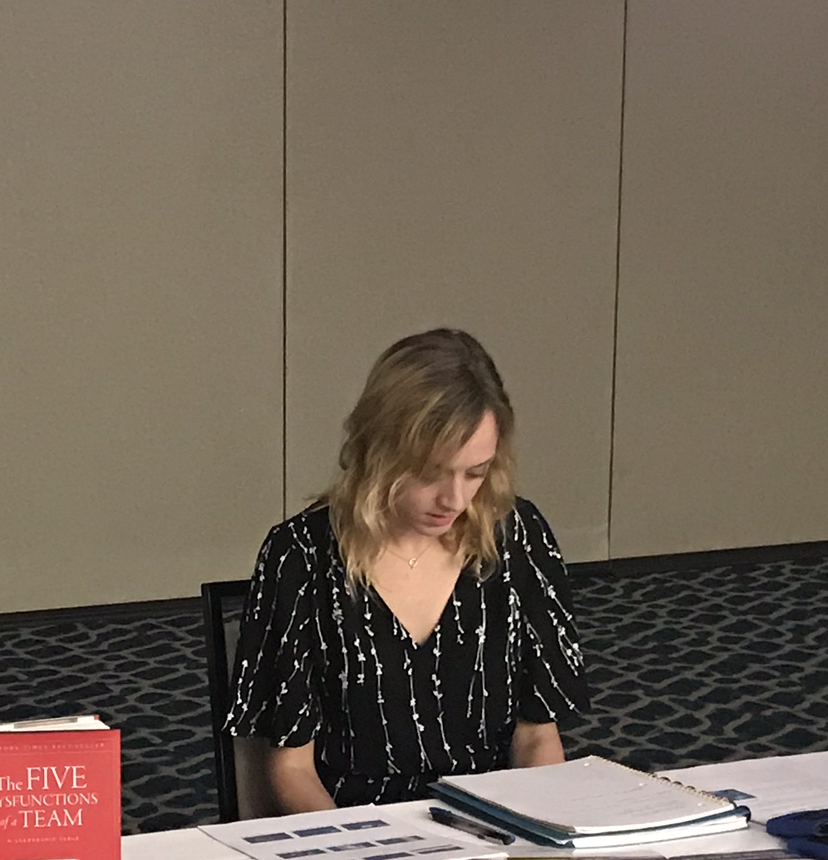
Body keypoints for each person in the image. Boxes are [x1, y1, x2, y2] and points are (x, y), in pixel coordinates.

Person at [225, 328, 589, 810]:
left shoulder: (517, 537)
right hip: (353, 831)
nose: (454, 500)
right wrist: (364, 859)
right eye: (430, 473)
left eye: (475, 473)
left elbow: (537, 738)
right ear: (379, 452)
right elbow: (291, 769)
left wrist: (544, 837)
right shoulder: (301, 555)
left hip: (493, 828)